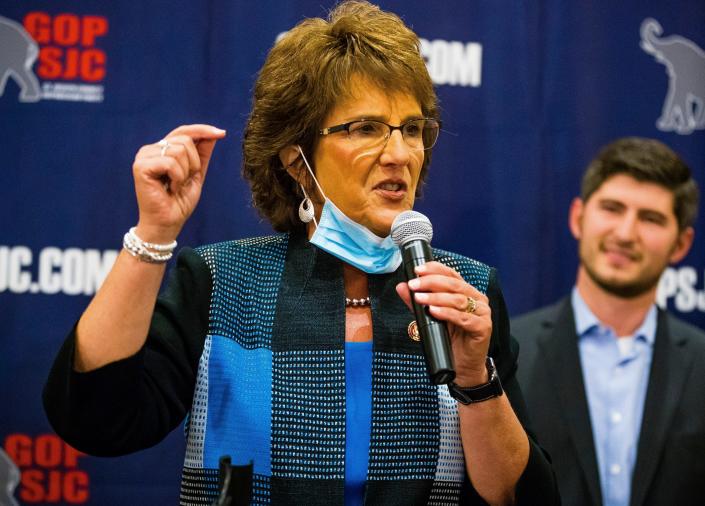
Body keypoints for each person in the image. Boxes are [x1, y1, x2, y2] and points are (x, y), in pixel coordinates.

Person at [43, 2, 558, 505]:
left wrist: (475, 379)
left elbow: (522, 495)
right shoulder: (223, 281)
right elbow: (96, 420)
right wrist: (154, 232)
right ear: (296, 160)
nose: (400, 153)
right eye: (365, 128)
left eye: (413, 129)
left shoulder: (463, 289)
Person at [512, 137, 705, 506]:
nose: (625, 233)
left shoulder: (701, 362)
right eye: (612, 209)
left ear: (681, 244)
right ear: (578, 218)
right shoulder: (509, 352)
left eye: (650, 218)